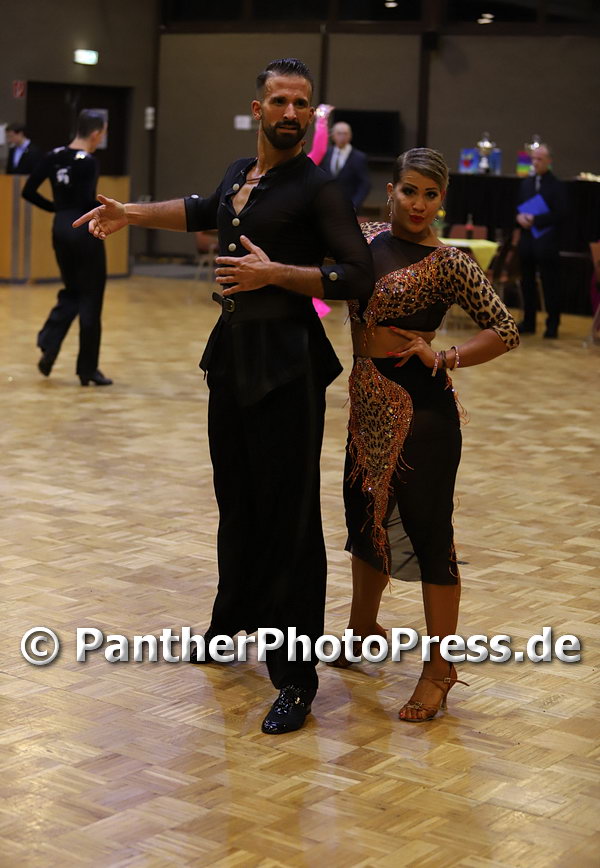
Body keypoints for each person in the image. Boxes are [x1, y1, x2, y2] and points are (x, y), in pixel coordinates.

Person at [73, 58, 373, 734]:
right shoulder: (242, 173)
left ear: (311, 112)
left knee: (290, 521)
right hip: (234, 359)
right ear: (258, 108)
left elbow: (357, 274)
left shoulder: (318, 187)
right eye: (279, 101)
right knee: (237, 503)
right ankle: (230, 623)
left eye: (301, 103)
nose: (291, 113)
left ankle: (295, 677)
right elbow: (203, 210)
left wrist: (277, 274)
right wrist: (130, 213)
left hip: (288, 368)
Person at [336, 148, 519, 722]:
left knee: (428, 531)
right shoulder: (364, 238)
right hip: (367, 403)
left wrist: (446, 356)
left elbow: (505, 329)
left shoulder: (451, 262)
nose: (418, 204)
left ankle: (440, 669)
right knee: (365, 516)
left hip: (423, 411)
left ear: (442, 200)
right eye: (409, 190)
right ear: (390, 190)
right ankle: (362, 629)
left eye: (431, 195)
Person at [22, 110, 112, 385]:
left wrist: (56, 209)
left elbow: (28, 191)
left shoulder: (53, 155)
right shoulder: (89, 162)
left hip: (60, 228)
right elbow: (86, 201)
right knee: (91, 297)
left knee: (72, 290)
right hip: (83, 230)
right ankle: (87, 370)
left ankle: (49, 343)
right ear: (95, 133)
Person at [516, 144, 567, 339]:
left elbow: (561, 214)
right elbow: (519, 208)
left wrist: (536, 220)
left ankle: (552, 325)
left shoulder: (557, 185)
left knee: (550, 285)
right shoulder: (526, 184)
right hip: (528, 242)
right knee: (527, 283)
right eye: (533, 159)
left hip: (547, 243)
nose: (535, 163)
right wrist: (520, 218)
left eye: (539, 159)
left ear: (549, 161)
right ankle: (529, 321)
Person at [321, 121, 371, 212]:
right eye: (339, 133)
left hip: (349, 206)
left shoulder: (359, 157)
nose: (342, 137)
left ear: (350, 136)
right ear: (333, 136)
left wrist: (354, 205)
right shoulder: (325, 153)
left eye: (345, 133)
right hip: (326, 204)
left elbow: (365, 184)